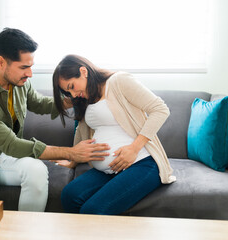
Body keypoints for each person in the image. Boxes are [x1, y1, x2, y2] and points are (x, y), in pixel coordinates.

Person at [0, 29, 110, 212]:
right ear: (0, 62)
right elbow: (11, 143)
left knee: (37, 171)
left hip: (10, 157)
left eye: (30, 66)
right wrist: (71, 153)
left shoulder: (20, 82)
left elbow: (40, 103)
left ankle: (27, 231)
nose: (29, 73)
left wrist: (75, 98)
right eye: (23, 67)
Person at [52, 54, 176, 215]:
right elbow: (81, 131)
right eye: (67, 92)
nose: (73, 95)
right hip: (109, 170)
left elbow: (160, 109)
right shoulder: (86, 98)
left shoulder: (119, 81)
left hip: (141, 163)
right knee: (69, 195)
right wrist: (72, 161)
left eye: (71, 86)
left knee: (93, 210)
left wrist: (133, 149)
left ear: (83, 71)